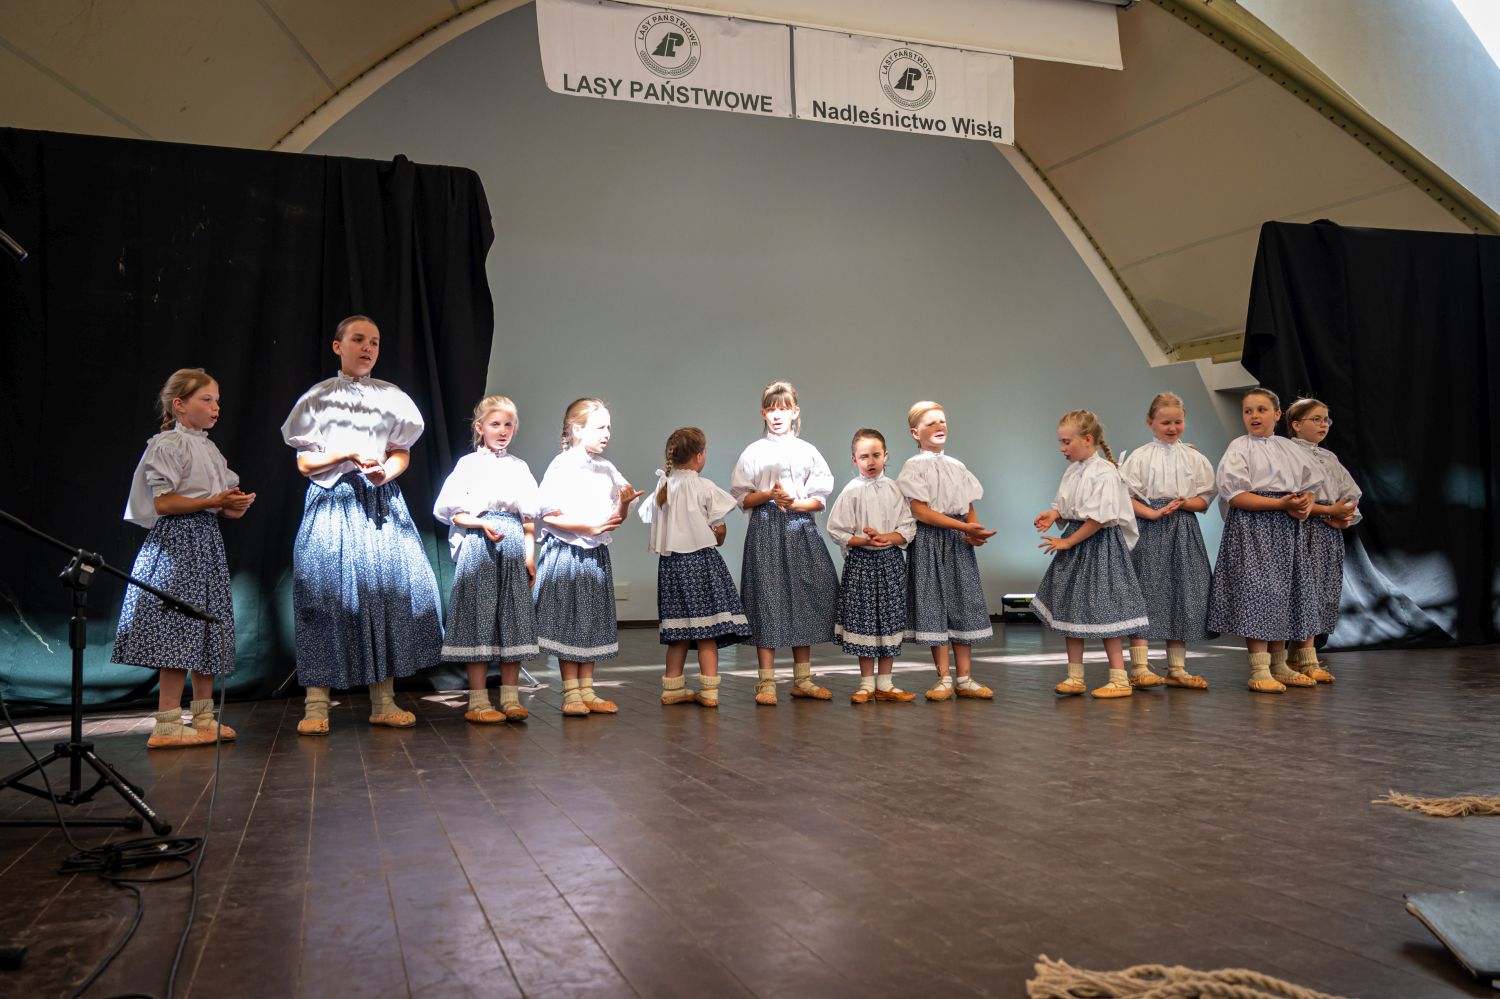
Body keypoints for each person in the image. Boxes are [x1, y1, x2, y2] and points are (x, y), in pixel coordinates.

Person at [281, 315, 443, 735]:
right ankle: (316, 704)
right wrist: (345, 456)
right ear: (338, 346)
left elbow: (400, 451)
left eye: (374, 341)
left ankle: (383, 700)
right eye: (358, 339)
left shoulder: (391, 396)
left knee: (383, 596)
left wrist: (385, 473)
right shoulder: (319, 397)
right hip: (332, 501)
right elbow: (304, 462)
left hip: (378, 502)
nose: (368, 348)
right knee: (323, 597)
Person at [113, 368, 254, 748]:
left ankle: (203, 716)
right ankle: (168, 722)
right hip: (178, 544)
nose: (215, 407)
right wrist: (213, 501)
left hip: (206, 542)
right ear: (180, 405)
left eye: (217, 400)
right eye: (206, 399)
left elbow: (216, 503)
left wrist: (231, 505)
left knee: (207, 626)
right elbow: (164, 503)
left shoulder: (208, 448)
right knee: (177, 628)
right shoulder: (167, 444)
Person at [1205, 388, 1325, 693]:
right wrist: (1280, 504)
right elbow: (1235, 495)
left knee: (1282, 592)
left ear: (1277, 414)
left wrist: (1303, 505)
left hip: (1286, 527)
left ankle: (1280, 664)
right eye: (1248, 411)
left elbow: (1310, 486)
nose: (1254, 416)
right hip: (1253, 527)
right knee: (1259, 593)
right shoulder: (1239, 447)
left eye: (1261, 410)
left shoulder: (1288, 448)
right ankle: (1259, 669)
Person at [730, 380, 839, 706]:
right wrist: (769, 495)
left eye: (783, 409)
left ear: (795, 412)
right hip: (765, 528)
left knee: (803, 595)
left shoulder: (807, 451)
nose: (777, 415)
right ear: (763, 413)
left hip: (799, 525)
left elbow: (819, 498)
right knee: (767, 597)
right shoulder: (754, 451)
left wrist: (793, 503)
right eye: (771, 409)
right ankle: (766, 681)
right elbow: (742, 497)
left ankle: (803, 678)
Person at [534, 398, 645, 717]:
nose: (607, 433)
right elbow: (549, 514)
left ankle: (587, 690)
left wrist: (623, 504)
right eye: (600, 427)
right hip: (567, 552)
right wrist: (588, 526)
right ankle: (571, 692)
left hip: (594, 554)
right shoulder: (562, 465)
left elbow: (615, 518)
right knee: (569, 620)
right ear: (577, 430)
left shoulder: (606, 468)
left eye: (609, 427)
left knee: (591, 619)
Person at [433, 395, 540, 723]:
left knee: (513, 618)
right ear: (480, 428)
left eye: (508, 424)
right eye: (495, 424)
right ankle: (478, 701)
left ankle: (510, 697)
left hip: (512, 548)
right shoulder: (469, 465)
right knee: (478, 619)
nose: (503, 430)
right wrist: (481, 524)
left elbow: (528, 519)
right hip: (480, 545)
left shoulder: (519, 467)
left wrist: (530, 555)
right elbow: (453, 513)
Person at [1032, 410, 1148, 699]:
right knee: (1073, 608)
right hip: (1077, 541)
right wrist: (1054, 514)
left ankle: (1119, 678)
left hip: (1098, 546)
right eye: (1060, 442)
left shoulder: (1105, 472)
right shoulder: (1073, 470)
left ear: (1086, 439)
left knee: (1107, 608)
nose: (1062, 448)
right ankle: (1075, 676)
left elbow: (1098, 519)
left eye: (1066, 441)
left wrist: (1068, 542)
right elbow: (1067, 505)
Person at [639, 427, 751, 708]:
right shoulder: (703, 486)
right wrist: (719, 536)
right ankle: (710, 692)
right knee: (707, 630)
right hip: (701, 564)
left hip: (671, 566)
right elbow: (719, 530)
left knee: (678, 632)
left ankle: (672, 688)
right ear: (700, 456)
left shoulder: (663, 487)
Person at [896, 402, 996, 702]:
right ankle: (944, 677)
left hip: (957, 541)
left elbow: (968, 507)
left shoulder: (957, 466)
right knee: (934, 604)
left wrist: (974, 532)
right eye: (930, 423)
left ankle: (965, 677)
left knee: (962, 601)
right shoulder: (914, 467)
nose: (939, 427)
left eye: (942, 421)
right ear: (915, 433)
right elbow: (922, 512)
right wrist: (963, 527)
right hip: (929, 541)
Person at [1117, 392, 1216, 690]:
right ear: (1151, 422)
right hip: (1149, 528)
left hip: (1182, 528)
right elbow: (1125, 497)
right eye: (1165, 422)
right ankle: (1139, 667)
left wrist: (1185, 503)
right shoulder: (1140, 457)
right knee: (1145, 591)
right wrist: (1152, 512)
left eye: (1177, 422)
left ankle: (1177, 668)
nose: (1172, 428)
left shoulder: (1194, 457)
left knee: (1181, 591)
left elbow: (1205, 498)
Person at [826, 429, 917, 704]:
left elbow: (907, 527)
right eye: (864, 456)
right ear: (854, 459)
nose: (871, 461)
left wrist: (885, 537)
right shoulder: (851, 491)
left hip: (890, 560)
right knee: (864, 618)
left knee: (889, 618)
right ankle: (866, 683)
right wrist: (864, 540)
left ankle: (885, 683)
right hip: (861, 562)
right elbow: (836, 529)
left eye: (876, 455)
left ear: (885, 456)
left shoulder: (895, 489)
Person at [1285, 398, 1360, 683]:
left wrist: (1344, 518)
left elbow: (1349, 493)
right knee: (1302, 591)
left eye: (1326, 420)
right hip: (1300, 528)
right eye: (1316, 419)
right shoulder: (1288, 453)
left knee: (1322, 591)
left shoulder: (1328, 457)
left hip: (1327, 532)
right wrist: (1328, 510)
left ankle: (1301, 656)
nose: (1323, 424)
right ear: (1296, 424)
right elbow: (1290, 498)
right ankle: (1302, 658)